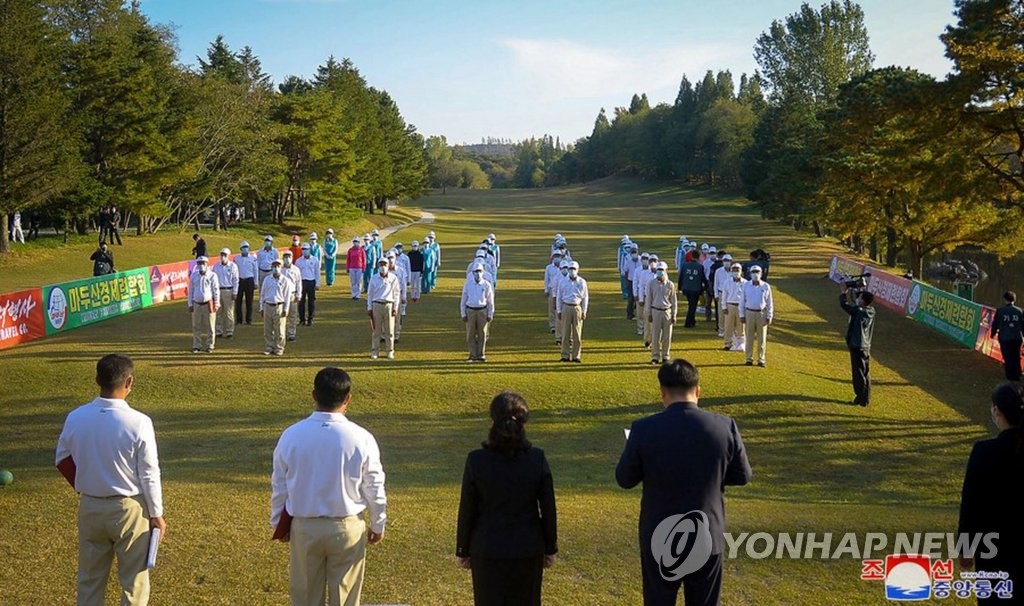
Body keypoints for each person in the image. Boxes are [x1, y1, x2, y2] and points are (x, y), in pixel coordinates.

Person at [616, 359, 752, 606]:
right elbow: (742, 476)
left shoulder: (644, 429)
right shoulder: (725, 427)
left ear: (663, 394)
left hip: (659, 534)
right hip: (706, 533)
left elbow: (625, 479)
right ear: (698, 391)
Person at [55, 354, 166, 606]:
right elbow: (149, 472)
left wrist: (86, 481)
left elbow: (62, 459)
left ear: (97, 379)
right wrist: (156, 513)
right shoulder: (139, 422)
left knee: (90, 580)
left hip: (91, 506)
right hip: (129, 508)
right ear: (129, 382)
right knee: (133, 583)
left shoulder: (76, 417)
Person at [271, 367, 387, 606]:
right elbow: (374, 484)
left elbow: (280, 486)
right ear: (348, 399)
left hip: (305, 527)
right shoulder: (361, 437)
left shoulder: (291, 435)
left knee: (305, 598)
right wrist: (378, 522)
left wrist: (278, 524)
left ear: (314, 395)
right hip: (347, 526)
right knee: (345, 599)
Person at [456, 392, 557, 606]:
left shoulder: (476, 460)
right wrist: (550, 547)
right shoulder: (537, 459)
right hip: (527, 547)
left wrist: (462, 549)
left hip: (488, 548)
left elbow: (467, 508)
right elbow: (548, 508)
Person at [958, 382, 1024, 604]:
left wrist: (966, 548)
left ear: (997, 411)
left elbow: (971, 504)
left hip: (993, 548)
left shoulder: (985, 452)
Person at [840, 286, 876, 407]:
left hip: (856, 345)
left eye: (860, 298)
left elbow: (845, 306)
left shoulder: (858, 311)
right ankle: (866, 397)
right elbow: (858, 305)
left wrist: (843, 293)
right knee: (866, 372)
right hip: (865, 346)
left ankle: (860, 397)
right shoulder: (871, 311)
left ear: (863, 301)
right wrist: (859, 290)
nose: (858, 299)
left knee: (858, 373)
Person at [739, 265, 774, 367]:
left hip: (761, 313)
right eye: (753, 272)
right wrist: (742, 315)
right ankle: (748, 359)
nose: (755, 274)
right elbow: (742, 301)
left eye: (757, 272)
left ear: (761, 273)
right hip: (749, 312)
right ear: (750, 273)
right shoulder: (746, 285)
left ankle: (761, 359)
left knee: (761, 338)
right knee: (749, 337)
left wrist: (769, 316)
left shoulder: (765, 286)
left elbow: (769, 303)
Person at [367, 258, 401, 360]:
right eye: (381, 264)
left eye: (385, 264)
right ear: (378, 266)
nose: (383, 267)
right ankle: (375, 351)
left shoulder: (393, 278)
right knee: (376, 331)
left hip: (389, 305)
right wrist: (369, 308)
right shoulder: (374, 278)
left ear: (388, 265)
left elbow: (396, 293)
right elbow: (370, 294)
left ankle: (390, 351)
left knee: (390, 330)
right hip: (377, 304)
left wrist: (395, 307)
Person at [461, 264, 495, 362]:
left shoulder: (486, 284)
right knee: (470, 334)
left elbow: (490, 301)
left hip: (482, 311)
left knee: (482, 333)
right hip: (470, 310)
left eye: (479, 271)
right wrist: (463, 313)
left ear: (483, 272)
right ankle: (472, 355)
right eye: (476, 271)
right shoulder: (468, 284)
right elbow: (463, 299)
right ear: (472, 273)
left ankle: (481, 354)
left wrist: (490, 314)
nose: (478, 273)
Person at [646, 261, 678, 365]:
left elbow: (674, 301)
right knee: (655, 335)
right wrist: (649, 313)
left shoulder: (670, 285)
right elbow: (649, 300)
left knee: (667, 336)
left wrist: (674, 314)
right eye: (658, 270)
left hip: (667, 311)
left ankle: (666, 356)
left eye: (661, 270)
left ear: (666, 271)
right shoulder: (651, 283)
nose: (659, 272)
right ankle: (655, 356)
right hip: (655, 311)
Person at [260, 259, 294, 356]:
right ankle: (269, 347)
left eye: (278, 266)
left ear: (281, 267)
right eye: (274, 266)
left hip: (279, 306)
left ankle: (279, 348)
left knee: (280, 329)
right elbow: (262, 294)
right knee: (267, 329)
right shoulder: (267, 279)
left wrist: (286, 309)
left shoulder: (285, 280)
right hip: (268, 305)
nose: (276, 268)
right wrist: (261, 307)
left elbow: (287, 296)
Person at [557, 261, 588, 363]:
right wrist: (559, 310)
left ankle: (576, 355)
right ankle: (565, 355)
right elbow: (559, 297)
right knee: (565, 332)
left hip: (577, 307)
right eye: (570, 269)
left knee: (577, 333)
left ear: (578, 270)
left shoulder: (582, 282)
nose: (571, 271)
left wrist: (584, 311)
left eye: (574, 269)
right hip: (566, 306)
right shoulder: (562, 281)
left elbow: (585, 297)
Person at [187, 257, 220, 353]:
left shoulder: (212, 275)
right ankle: (196, 345)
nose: (201, 265)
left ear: (207, 264)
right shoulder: (194, 276)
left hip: (208, 303)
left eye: (203, 263)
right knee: (196, 326)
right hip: (196, 303)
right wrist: (190, 303)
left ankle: (210, 345)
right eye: (199, 263)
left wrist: (216, 303)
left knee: (210, 325)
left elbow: (216, 290)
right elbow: (191, 291)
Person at [990, 291, 1023, 382]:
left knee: (1007, 357)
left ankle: (1010, 376)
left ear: (1005, 299)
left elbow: (995, 324)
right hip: (1017, 338)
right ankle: (1017, 374)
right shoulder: (1020, 311)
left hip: (1005, 338)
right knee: (1016, 356)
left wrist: (992, 334)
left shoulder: (1000, 311)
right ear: (1014, 300)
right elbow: (1023, 325)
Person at [211, 248, 239, 339]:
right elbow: (213, 280)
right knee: (218, 312)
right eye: (222, 255)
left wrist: (235, 292)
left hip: (228, 290)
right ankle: (218, 330)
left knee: (229, 312)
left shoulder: (233, 266)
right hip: (218, 290)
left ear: (228, 256)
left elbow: (235, 280)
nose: (223, 257)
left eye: (225, 255)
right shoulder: (216, 266)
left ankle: (229, 330)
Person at [720, 261, 746, 352]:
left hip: (740, 306)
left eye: (737, 270)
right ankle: (728, 344)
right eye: (734, 270)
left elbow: (747, 297)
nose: (736, 272)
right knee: (728, 326)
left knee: (741, 327)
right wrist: (724, 307)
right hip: (730, 305)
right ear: (731, 271)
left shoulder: (745, 283)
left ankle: (741, 344)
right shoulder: (727, 282)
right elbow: (724, 295)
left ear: (741, 271)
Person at [679, 253, 708, 328]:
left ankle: (692, 321)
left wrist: (680, 287)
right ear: (698, 258)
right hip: (695, 289)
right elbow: (703, 278)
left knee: (691, 305)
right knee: (692, 306)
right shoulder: (700, 266)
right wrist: (707, 286)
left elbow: (681, 276)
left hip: (686, 288)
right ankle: (688, 323)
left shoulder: (685, 265)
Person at [296, 243, 321, 326]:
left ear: (309, 250)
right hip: (302, 282)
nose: (304, 251)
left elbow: (317, 272)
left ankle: (310, 319)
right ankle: (302, 319)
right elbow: (296, 274)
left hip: (311, 281)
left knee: (311, 301)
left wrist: (317, 283)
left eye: (306, 249)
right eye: (303, 249)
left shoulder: (314, 260)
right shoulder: (298, 261)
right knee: (301, 301)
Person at [235, 241, 258, 326]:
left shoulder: (253, 258)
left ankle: (249, 319)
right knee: (238, 302)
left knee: (249, 301)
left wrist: (256, 282)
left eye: (247, 247)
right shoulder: (237, 259)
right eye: (244, 247)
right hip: (239, 281)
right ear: (241, 249)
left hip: (249, 280)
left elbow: (255, 270)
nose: (245, 249)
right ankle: (239, 320)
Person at [281, 251, 303, 342]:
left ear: (292, 257)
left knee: (293, 315)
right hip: (281, 295)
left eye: (289, 257)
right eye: (285, 257)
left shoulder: (296, 269)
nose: (287, 259)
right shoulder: (280, 269)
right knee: (281, 315)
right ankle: (281, 333)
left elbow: (299, 283)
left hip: (292, 295)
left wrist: (299, 294)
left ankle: (291, 334)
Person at [544, 252, 565, 340]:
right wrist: (546, 290)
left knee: (560, 310)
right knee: (552, 308)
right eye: (555, 256)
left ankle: (560, 328)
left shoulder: (564, 267)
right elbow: (546, 279)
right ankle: (553, 326)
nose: (557, 258)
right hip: (552, 290)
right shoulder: (549, 267)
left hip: (562, 291)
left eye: (558, 256)